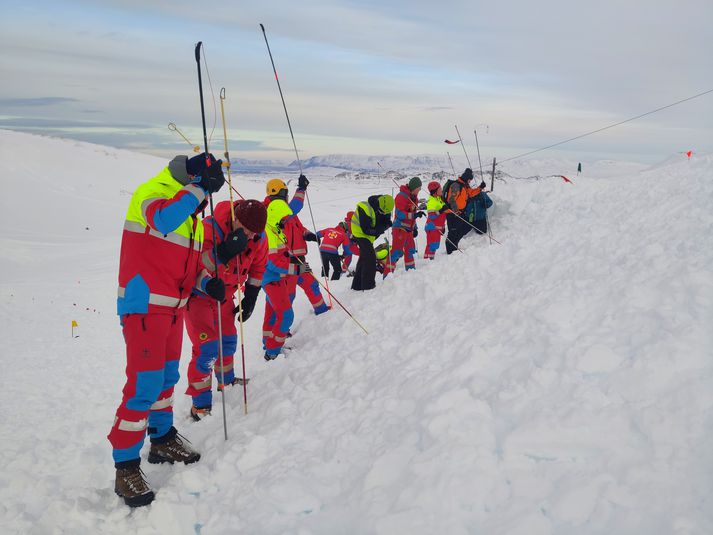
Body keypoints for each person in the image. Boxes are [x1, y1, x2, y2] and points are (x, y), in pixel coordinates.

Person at [109, 153, 225, 507]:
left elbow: (183, 267)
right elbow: (161, 219)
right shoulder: (152, 192)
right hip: (145, 306)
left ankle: (160, 438)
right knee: (143, 384)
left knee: (165, 379)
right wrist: (199, 188)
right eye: (201, 181)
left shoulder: (189, 214)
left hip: (173, 308)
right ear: (189, 176)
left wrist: (207, 284)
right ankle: (125, 466)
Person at [184, 199, 267, 420]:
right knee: (207, 349)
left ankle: (226, 382)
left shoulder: (258, 236)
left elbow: (259, 266)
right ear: (236, 219)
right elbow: (194, 266)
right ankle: (199, 405)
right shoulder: (209, 228)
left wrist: (251, 296)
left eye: (254, 234)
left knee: (228, 340)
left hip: (225, 297)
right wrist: (224, 251)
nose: (251, 237)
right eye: (247, 231)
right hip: (200, 296)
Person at [350, 194, 394, 291]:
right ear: (378, 205)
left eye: (385, 212)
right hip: (359, 232)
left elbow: (387, 221)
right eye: (382, 212)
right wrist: (381, 228)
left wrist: (386, 224)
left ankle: (356, 285)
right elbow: (366, 230)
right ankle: (368, 286)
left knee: (364, 257)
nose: (383, 213)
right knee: (370, 258)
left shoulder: (385, 207)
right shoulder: (365, 208)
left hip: (369, 236)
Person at [383, 177, 424, 276]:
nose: (419, 190)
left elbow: (413, 214)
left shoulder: (415, 198)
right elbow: (399, 213)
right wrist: (413, 215)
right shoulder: (401, 197)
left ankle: (411, 273)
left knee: (410, 250)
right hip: (399, 228)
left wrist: (415, 228)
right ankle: (387, 275)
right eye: (418, 188)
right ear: (414, 187)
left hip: (409, 230)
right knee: (397, 252)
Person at [444, 168, 486, 254]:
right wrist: (456, 211)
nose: (470, 182)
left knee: (464, 228)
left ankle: (454, 247)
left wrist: (480, 188)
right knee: (453, 232)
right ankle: (450, 252)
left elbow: (471, 193)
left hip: (459, 213)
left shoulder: (464, 186)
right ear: (467, 178)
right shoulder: (456, 185)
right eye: (470, 180)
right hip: (452, 213)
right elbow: (451, 200)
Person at [424, 181, 448, 259]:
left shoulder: (438, 199)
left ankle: (429, 260)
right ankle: (428, 261)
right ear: (435, 192)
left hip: (437, 228)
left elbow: (444, 210)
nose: (441, 190)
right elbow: (431, 216)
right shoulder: (432, 201)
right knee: (432, 245)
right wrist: (441, 210)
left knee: (434, 245)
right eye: (439, 189)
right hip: (432, 227)